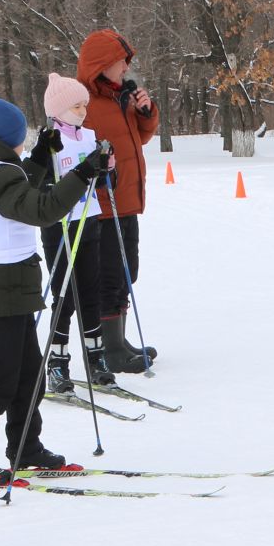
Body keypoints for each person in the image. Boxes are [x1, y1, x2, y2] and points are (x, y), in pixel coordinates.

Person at [0, 95, 110, 483]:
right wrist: (82, 174)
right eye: (23, 137)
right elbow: (39, 209)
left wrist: (40, 158)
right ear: (7, 138)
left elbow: (20, 193)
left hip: (12, 284)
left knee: (27, 376)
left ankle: (26, 447)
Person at [75, 29, 158, 372]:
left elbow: (142, 137)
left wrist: (146, 111)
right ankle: (110, 351)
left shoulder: (119, 98)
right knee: (109, 276)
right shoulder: (85, 104)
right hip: (103, 205)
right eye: (120, 62)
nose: (125, 68)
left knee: (127, 272)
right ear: (101, 65)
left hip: (127, 201)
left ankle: (119, 340)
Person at [36, 73, 109, 394]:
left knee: (91, 292)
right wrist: (47, 171)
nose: (82, 112)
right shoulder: (49, 140)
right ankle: (57, 362)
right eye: (76, 106)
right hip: (60, 227)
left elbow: (104, 183)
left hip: (89, 221)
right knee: (64, 297)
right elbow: (36, 183)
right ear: (57, 110)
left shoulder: (90, 136)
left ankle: (96, 358)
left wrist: (108, 168)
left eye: (84, 105)